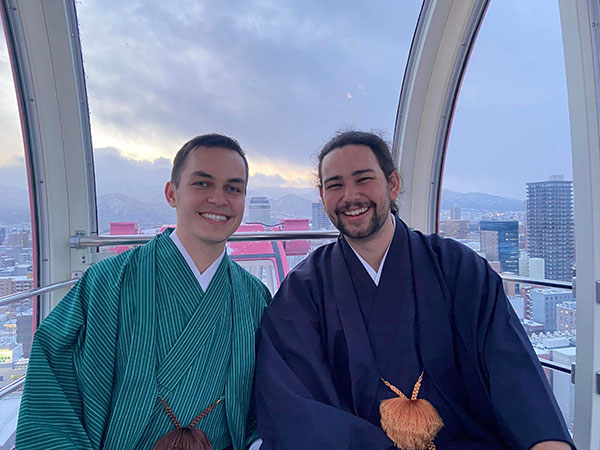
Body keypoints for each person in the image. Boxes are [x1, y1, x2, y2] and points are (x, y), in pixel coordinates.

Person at [255, 131, 574, 450]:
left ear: (392, 184)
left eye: (363, 179)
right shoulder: (304, 290)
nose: (350, 196)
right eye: (335, 185)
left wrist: (544, 441)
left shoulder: (457, 268)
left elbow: (511, 367)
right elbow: (294, 402)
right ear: (322, 197)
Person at [16, 134, 271, 450]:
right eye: (202, 184)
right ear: (172, 193)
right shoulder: (107, 282)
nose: (219, 199)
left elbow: (270, 397)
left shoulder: (254, 297)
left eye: (233, 188)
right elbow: (53, 383)